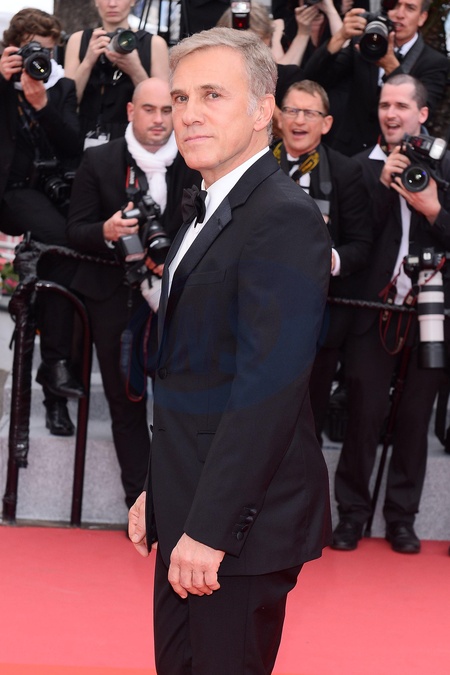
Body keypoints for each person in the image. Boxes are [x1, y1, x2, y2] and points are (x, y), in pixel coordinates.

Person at [128, 27, 332, 674]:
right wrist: (159, 491)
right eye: (181, 97)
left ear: (263, 108)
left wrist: (210, 527)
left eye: (212, 95)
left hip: (237, 530)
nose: (189, 114)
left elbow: (266, 390)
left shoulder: (282, 215)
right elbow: (194, 372)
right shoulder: (211, 204)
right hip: (188, 504)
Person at [66, 77, 200, 509]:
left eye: (167, 110)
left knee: (180, 404)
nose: (159, 120)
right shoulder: (101, 160)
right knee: (125, 404)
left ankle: (177, 504)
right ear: (130, 111)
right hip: (113, 298)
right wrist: (106, 231)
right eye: (149, 109)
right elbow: (75, 230)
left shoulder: (196, 159)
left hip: (179, 300)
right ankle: (140, 504)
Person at [331, 74, 450, 554]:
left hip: (431, 313)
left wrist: (433, 209)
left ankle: (402, 519)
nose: (391, 113)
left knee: (414, 419)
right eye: (384, 105)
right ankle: (351, 516)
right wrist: (384, 188)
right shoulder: (360, 168)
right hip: (372, 313)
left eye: (401, 105)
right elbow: (357, 242)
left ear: (422, 114)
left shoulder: (446, 165)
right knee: (363, 414)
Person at [0, 8, 84, 436]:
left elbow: (73, 145)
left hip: (48, 193)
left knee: (63, 259)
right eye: (31, 50)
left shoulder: (61, 86)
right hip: (10, 191)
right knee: (61, 245)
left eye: (47, 52)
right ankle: (55, 370)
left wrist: (43, 105)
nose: (39, 59)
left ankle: (55, 383)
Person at [274, 79, 372, 443]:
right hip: (254, 313)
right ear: (279, 117)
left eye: (309, 113)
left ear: (326, 123)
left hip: (319, 321)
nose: (299, 120)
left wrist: (328, 259)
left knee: (306, 426)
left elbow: (362, 245)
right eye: (292, 110)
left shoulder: (345, 172)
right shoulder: (254, 163)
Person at [304, 0, 450, 156]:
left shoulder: (434, 62)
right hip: (345, 153)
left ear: (422, 17)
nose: (399, 14)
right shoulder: (363, 44)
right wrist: (340, 36)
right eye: (394, 6)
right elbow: (313, 80)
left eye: (410, 8)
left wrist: (391, 67)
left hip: (396, 156)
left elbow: (422, 111)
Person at [64, 0, 169, 145]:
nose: (112, 4)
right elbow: (67, 102)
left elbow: (162, 104)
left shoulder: (154, 44)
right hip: (83, 133)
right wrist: (88, 61)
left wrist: (135, 69)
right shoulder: (78, 40)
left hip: (133, 138)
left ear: (133, 2)